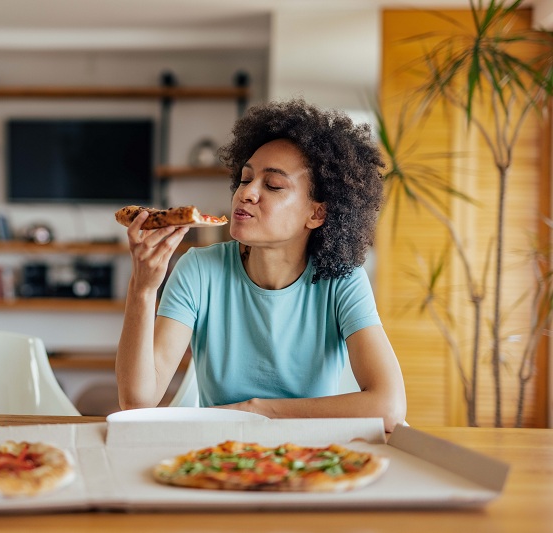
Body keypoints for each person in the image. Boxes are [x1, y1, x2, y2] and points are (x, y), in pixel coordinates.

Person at [115, 98, 407, 431]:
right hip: (222, 452)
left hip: (309, 455)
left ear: (317, 213)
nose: (246, 193)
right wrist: (143, 287)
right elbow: (137, 401)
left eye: (273, 185)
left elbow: (389, 407)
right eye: (245, 179)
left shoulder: (342, 280)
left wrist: (257, 410)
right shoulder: (199, 269)